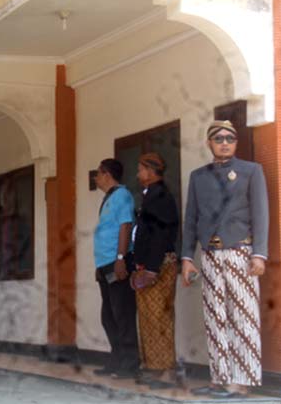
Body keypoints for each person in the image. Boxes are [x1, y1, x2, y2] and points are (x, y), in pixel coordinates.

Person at [182, 120, 268, 399]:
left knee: (243, 316)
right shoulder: (198, 176)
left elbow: (260, 214)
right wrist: (187, 257)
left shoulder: (251, 171)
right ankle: (220, 378)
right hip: (209, 255)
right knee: (214, 316)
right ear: (209, 142)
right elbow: (191, 219)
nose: (224, 142)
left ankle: (241, 382)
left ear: (236, 142)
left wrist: (259, 253)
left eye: (230, 138)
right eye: (218, 138)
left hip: (240, 253)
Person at [131, 153, 179, 389]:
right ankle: (154, 368)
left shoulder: (160, 196)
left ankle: (166, 372)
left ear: (150, 171)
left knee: (159, 317)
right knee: (149, 318)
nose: (138, 174)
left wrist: (150, 269)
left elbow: (160, 235)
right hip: (148, 264)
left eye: (140, 169)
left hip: (158, 264)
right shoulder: (150, 196)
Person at [92, 159, 140, 379]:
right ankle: (117, 359)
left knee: (122, 313)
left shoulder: (122, 195)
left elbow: (125, 226)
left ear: (108, 174)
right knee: (108, 315)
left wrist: (121, 258)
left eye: (98, 174)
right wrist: (99, 266)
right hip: (105, 264)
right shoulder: (109, 198)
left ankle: (130, 364)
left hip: (117, 262)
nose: (96, 178)